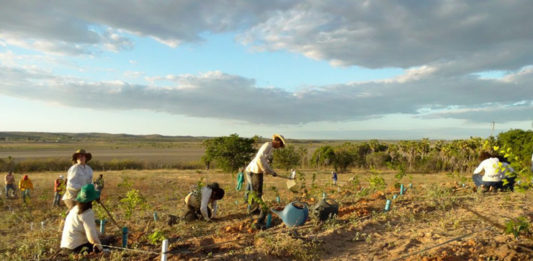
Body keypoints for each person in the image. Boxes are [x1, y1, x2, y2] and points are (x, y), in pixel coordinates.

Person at [244, 134, 286, 228]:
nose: (279, 147)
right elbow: (259, 158)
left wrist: (271, 172)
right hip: (254, 170)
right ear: (278, 141)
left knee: (258, 191)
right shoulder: (267, 145)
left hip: (258, 170)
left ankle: (255, 209)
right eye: (280, 145)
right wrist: (264, 170)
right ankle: (253, 210)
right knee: (256, 191)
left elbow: (265, 162)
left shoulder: (270, 148)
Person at [60, 184, 103, 254]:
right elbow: (92, 238)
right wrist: (101, 250)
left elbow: (85, 229)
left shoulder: (74, 209)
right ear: (91, 200)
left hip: (65, 248)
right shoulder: (87, 213)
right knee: (106, 243)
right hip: (76, 249)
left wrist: (99, 234)